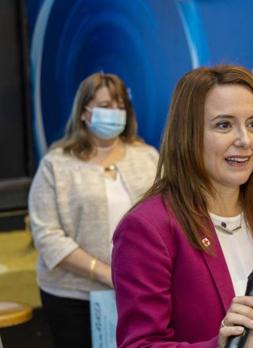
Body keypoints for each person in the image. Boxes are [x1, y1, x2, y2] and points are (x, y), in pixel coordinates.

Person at [112, 65, 253, 347]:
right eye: (224, 125)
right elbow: (140, 344)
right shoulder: (147, 228)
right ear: (187, 134)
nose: (245, 140)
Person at [28, 72, 159, 348]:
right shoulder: (56, 164)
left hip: (140, 290)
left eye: (120, 106)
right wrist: (105, 273)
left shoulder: (147, 157)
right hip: (72, 297)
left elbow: (165, 216)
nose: (114, 113)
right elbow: (47, 235)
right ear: (84, 112)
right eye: (105, 106)